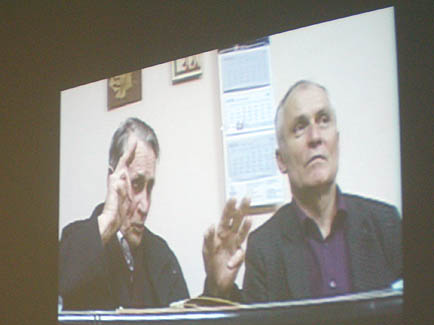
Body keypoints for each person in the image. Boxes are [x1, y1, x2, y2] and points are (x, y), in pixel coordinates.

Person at [205, 80, 402, 303]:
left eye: (324, 120)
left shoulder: (387, 223)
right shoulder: (264, 247)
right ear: (281, 160)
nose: (315, 137)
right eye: (300, 127)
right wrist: (218, 290)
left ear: (337, 141)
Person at [59, 118, 190, 310]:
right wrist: (106, 223)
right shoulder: (75, 240)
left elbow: (186, 323)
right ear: (112, 180)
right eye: (136, 184)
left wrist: (216, 289)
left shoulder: (162, 254)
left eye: (149, 187)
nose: (145, 206)